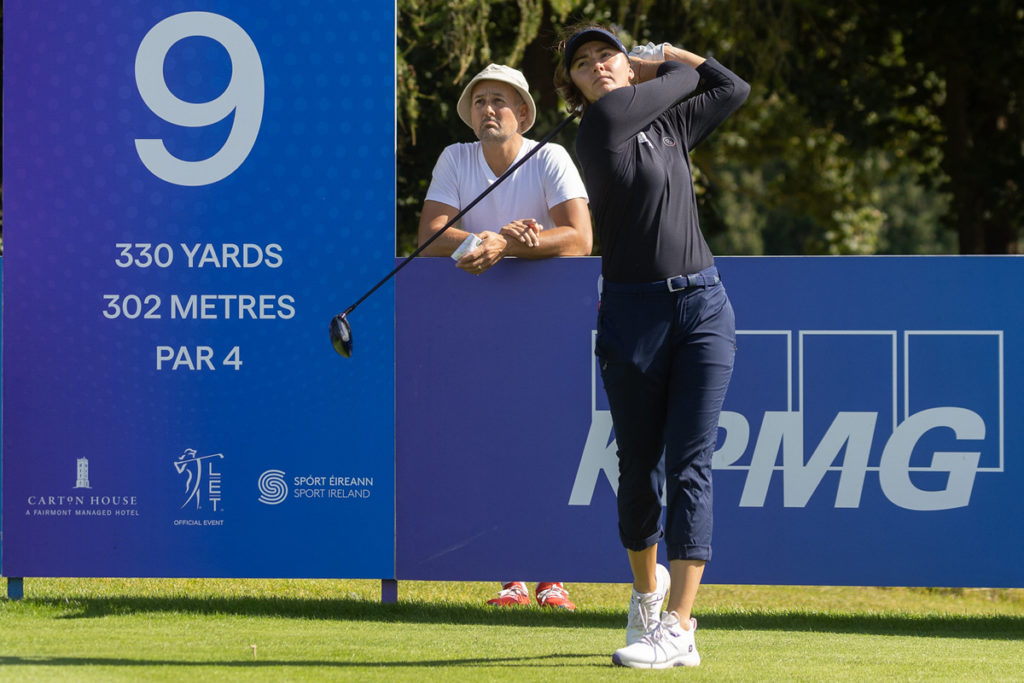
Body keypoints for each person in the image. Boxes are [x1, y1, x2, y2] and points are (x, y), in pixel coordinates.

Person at [555, 25, 749, 666]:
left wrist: (665, 55)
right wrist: (661, 62)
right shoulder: (602, 122)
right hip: (632, 315)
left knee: (691, 462)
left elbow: (732, 85)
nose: (598, 67)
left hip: (703, 304)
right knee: (639, 466)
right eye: (583, 65)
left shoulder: (668, 127)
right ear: (578, 88)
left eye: (605, 55)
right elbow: (694, 79)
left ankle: (679, 627)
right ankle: (645, 595)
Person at [417, 63, 593, 609]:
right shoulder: (455, 157)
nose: (488, 110)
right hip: (476, 324)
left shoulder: (551, 157)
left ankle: (551, 577)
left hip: (548, 323)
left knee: (544, 444)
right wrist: (493, 242)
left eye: (500, 100)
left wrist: (508, 246)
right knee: (491, 442)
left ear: (522, 112)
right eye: (479, 101)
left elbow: (580, 239)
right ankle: (512, 577)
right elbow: (431, 235)